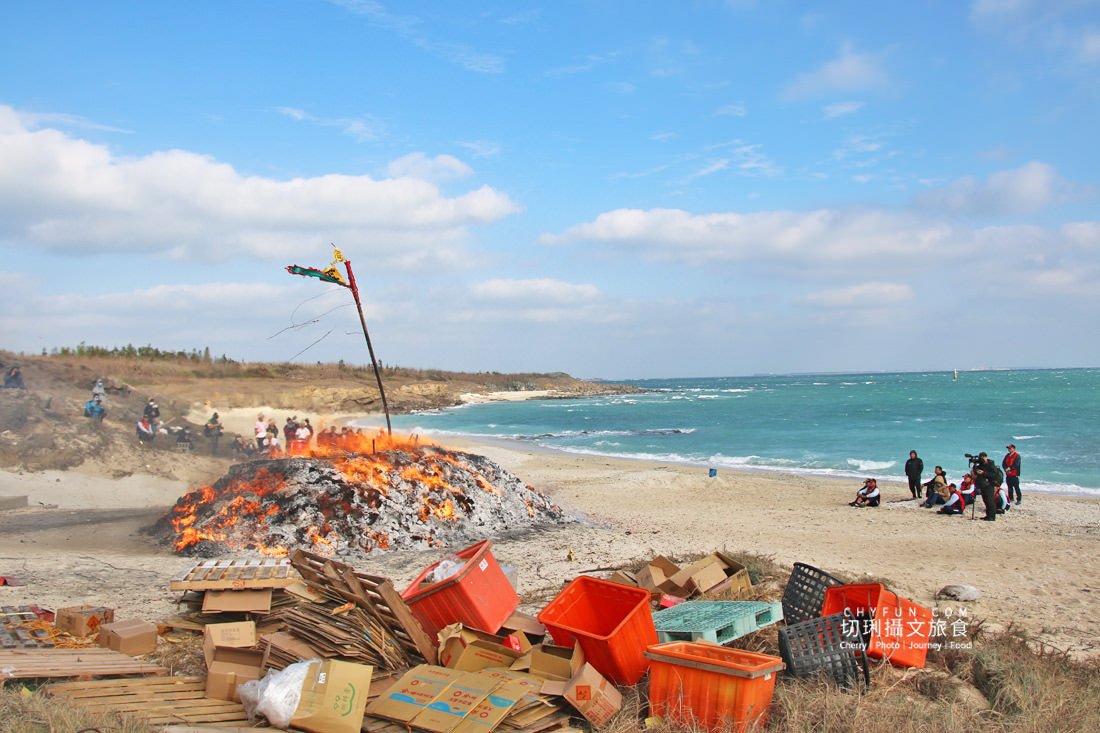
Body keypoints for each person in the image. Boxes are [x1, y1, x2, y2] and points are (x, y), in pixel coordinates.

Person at [972, 452, 1003, 522]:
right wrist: (975, 466)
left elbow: (993, 475)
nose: (982, 459)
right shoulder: (981, 464)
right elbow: (976, 472)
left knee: (990, 501)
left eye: (983, 457)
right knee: (985, 500)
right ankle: (988, 515)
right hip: (983, 484)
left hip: (990, 484)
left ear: (986, 457)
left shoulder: (991, 464)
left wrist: (984, 473)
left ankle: (992, 517)